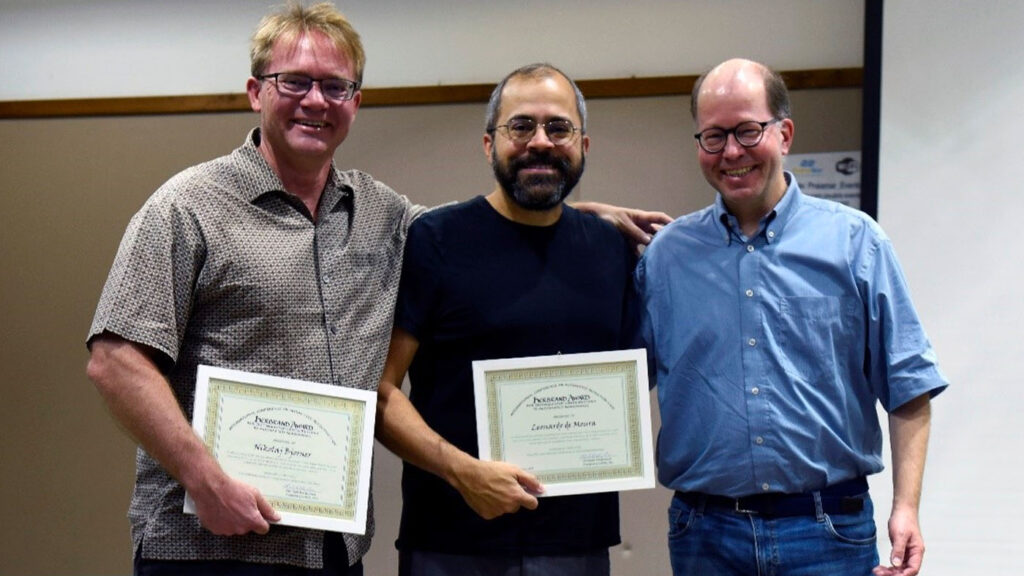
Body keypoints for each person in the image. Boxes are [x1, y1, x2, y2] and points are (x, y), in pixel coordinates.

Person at [85, 3, 668, 574]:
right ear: (255, 91)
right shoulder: (187, 206)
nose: (316, 101)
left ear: (355, 103)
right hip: (209, 542)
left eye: (336, 87)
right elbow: (115, 361)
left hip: (333, 547)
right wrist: (204, 481)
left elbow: (486, 229)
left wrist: (578, 215)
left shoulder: (382, 213)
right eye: (295, 82)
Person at [635, 58, 949, 576]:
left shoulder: (856, 244)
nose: (731, 151)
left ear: (784, 133)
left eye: (747, 130)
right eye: (713, 136)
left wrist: (907, 505)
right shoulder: (665, 258)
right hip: (705, 536)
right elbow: (620, 381)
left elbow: (909, 386)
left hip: (829, 533)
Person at [375, 63, 639, 576]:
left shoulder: (611, 249)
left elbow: (628, 382)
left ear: (584, 144)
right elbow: (381, 393)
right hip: (451, 546)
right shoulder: (436, 241)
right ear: (488, 144)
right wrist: (463, 472)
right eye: (520, 126)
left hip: (577, 545)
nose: (540, 142)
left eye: (558, 127)